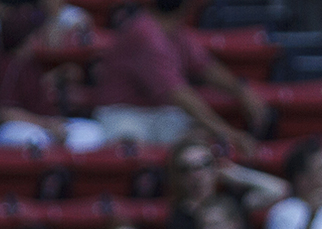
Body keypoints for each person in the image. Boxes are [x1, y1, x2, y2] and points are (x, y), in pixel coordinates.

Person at [90, 0, 260, 145]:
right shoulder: (145, 32)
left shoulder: (174, 31)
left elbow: (207, 67)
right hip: (123, 114)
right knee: (132, 147)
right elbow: (178, 94)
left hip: (157, 115)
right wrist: (227, 133)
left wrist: (242, 92)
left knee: (202, 139)